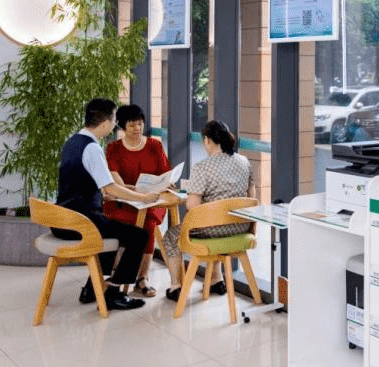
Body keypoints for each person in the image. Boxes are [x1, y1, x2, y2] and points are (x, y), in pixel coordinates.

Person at [53, 98, 162, 310]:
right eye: (113, 121)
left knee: (109, 229)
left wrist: (111, 192)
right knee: (139, 236)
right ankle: (113, 294)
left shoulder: (73, 141)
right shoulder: (92, 148)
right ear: (104, 123)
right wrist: (144, 198)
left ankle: (92, 289)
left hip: (63, 220)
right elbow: (110, 187)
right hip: (80, 223)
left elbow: (85, 184)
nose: (114, 125)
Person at [162, 120, 256, 302]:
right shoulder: (244, 162)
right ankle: (216, 280)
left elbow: (192, 206)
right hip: (241, 228)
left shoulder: (203, 167)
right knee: (217, 220)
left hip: (212, 231)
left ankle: (175, 286)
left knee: (171, 235)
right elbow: (252, 195)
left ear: (207, 140)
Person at [104, 104, 172, 297]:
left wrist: (167, 183)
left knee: (148, 225)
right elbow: (115, 178)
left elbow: (165, 173)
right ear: (123, 126)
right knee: (127, 225)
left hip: (151, 201)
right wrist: (129, 191)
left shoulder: (154, 146)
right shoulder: (113, 148)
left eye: (140, 124)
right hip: (123, 201)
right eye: (132, 125)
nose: (137, 129)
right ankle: (120, 273)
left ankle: (142, 279)